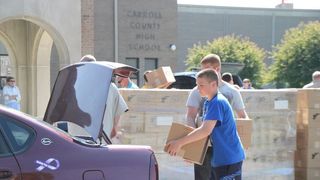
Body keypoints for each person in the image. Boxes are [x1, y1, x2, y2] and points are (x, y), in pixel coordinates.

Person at [167, 69, 245, 180]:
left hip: (229, 159)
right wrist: (192, 152)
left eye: (201, 85)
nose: (198, 88)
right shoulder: (209, 102)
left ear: (213, 84)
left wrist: (179, 143)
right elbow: (205, 134)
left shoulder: (217, 102)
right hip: (220, 159)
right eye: (197, 85)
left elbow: (204, 130)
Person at [186, 54, 248, 180]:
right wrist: (193, 144)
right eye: (201, 70)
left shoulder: (231, 92)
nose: (202, 73)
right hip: (205, 146)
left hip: (225, 147)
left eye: (205, 69)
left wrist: (241, 139)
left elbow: (243, 117)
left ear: (217, 69)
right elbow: (190, 116)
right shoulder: (198, 91)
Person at [80, 54, 128, 138]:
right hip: (101, 140)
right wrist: (114, 128)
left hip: (77, 140)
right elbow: (119, 110)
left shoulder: (74, 86)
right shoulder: (110, 87)